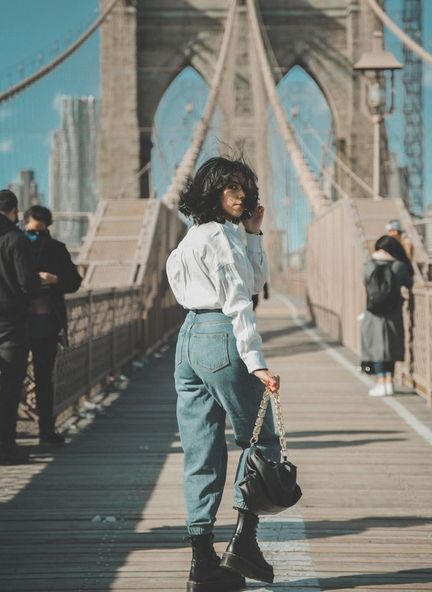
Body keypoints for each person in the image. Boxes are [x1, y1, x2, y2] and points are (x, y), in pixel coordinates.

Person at [166, 157, 281, 591]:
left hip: (189, 337)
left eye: (243, 189)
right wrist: (257, 363)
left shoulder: (191, 238)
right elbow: (241, 300)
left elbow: (248, 282)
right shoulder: (220, 237)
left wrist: (251, 235)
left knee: (201, 450)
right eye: (230, 188)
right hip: (222, 334)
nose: (240, 196)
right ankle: (244, 540)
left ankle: (203, 562)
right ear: (211, 191)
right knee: (262, 439)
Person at [23, 205, 82, 444]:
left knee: (44, 379)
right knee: (12, 379)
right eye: (31, 231)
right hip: (17, 322)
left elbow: (74, 281)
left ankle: (45, 431)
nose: (35, 235)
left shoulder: (57, 250)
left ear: (48, 227)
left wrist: (55, 279)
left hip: (45, 324)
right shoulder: (13, 245)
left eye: (40, 231)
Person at [0, 189, 41, 465]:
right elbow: (29, 285)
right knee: (10, 388)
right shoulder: (17, 239)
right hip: (11, 326)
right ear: (15, 211)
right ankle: (6, 449)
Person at [361, 235, 414, 397]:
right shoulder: (399, 266)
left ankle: (381, 382)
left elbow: (365, 284)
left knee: (376, 349)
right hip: (393, 313)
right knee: (390, 348)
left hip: (373, 314)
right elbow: (409, 282)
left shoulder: (368, 266)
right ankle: (390, 382)